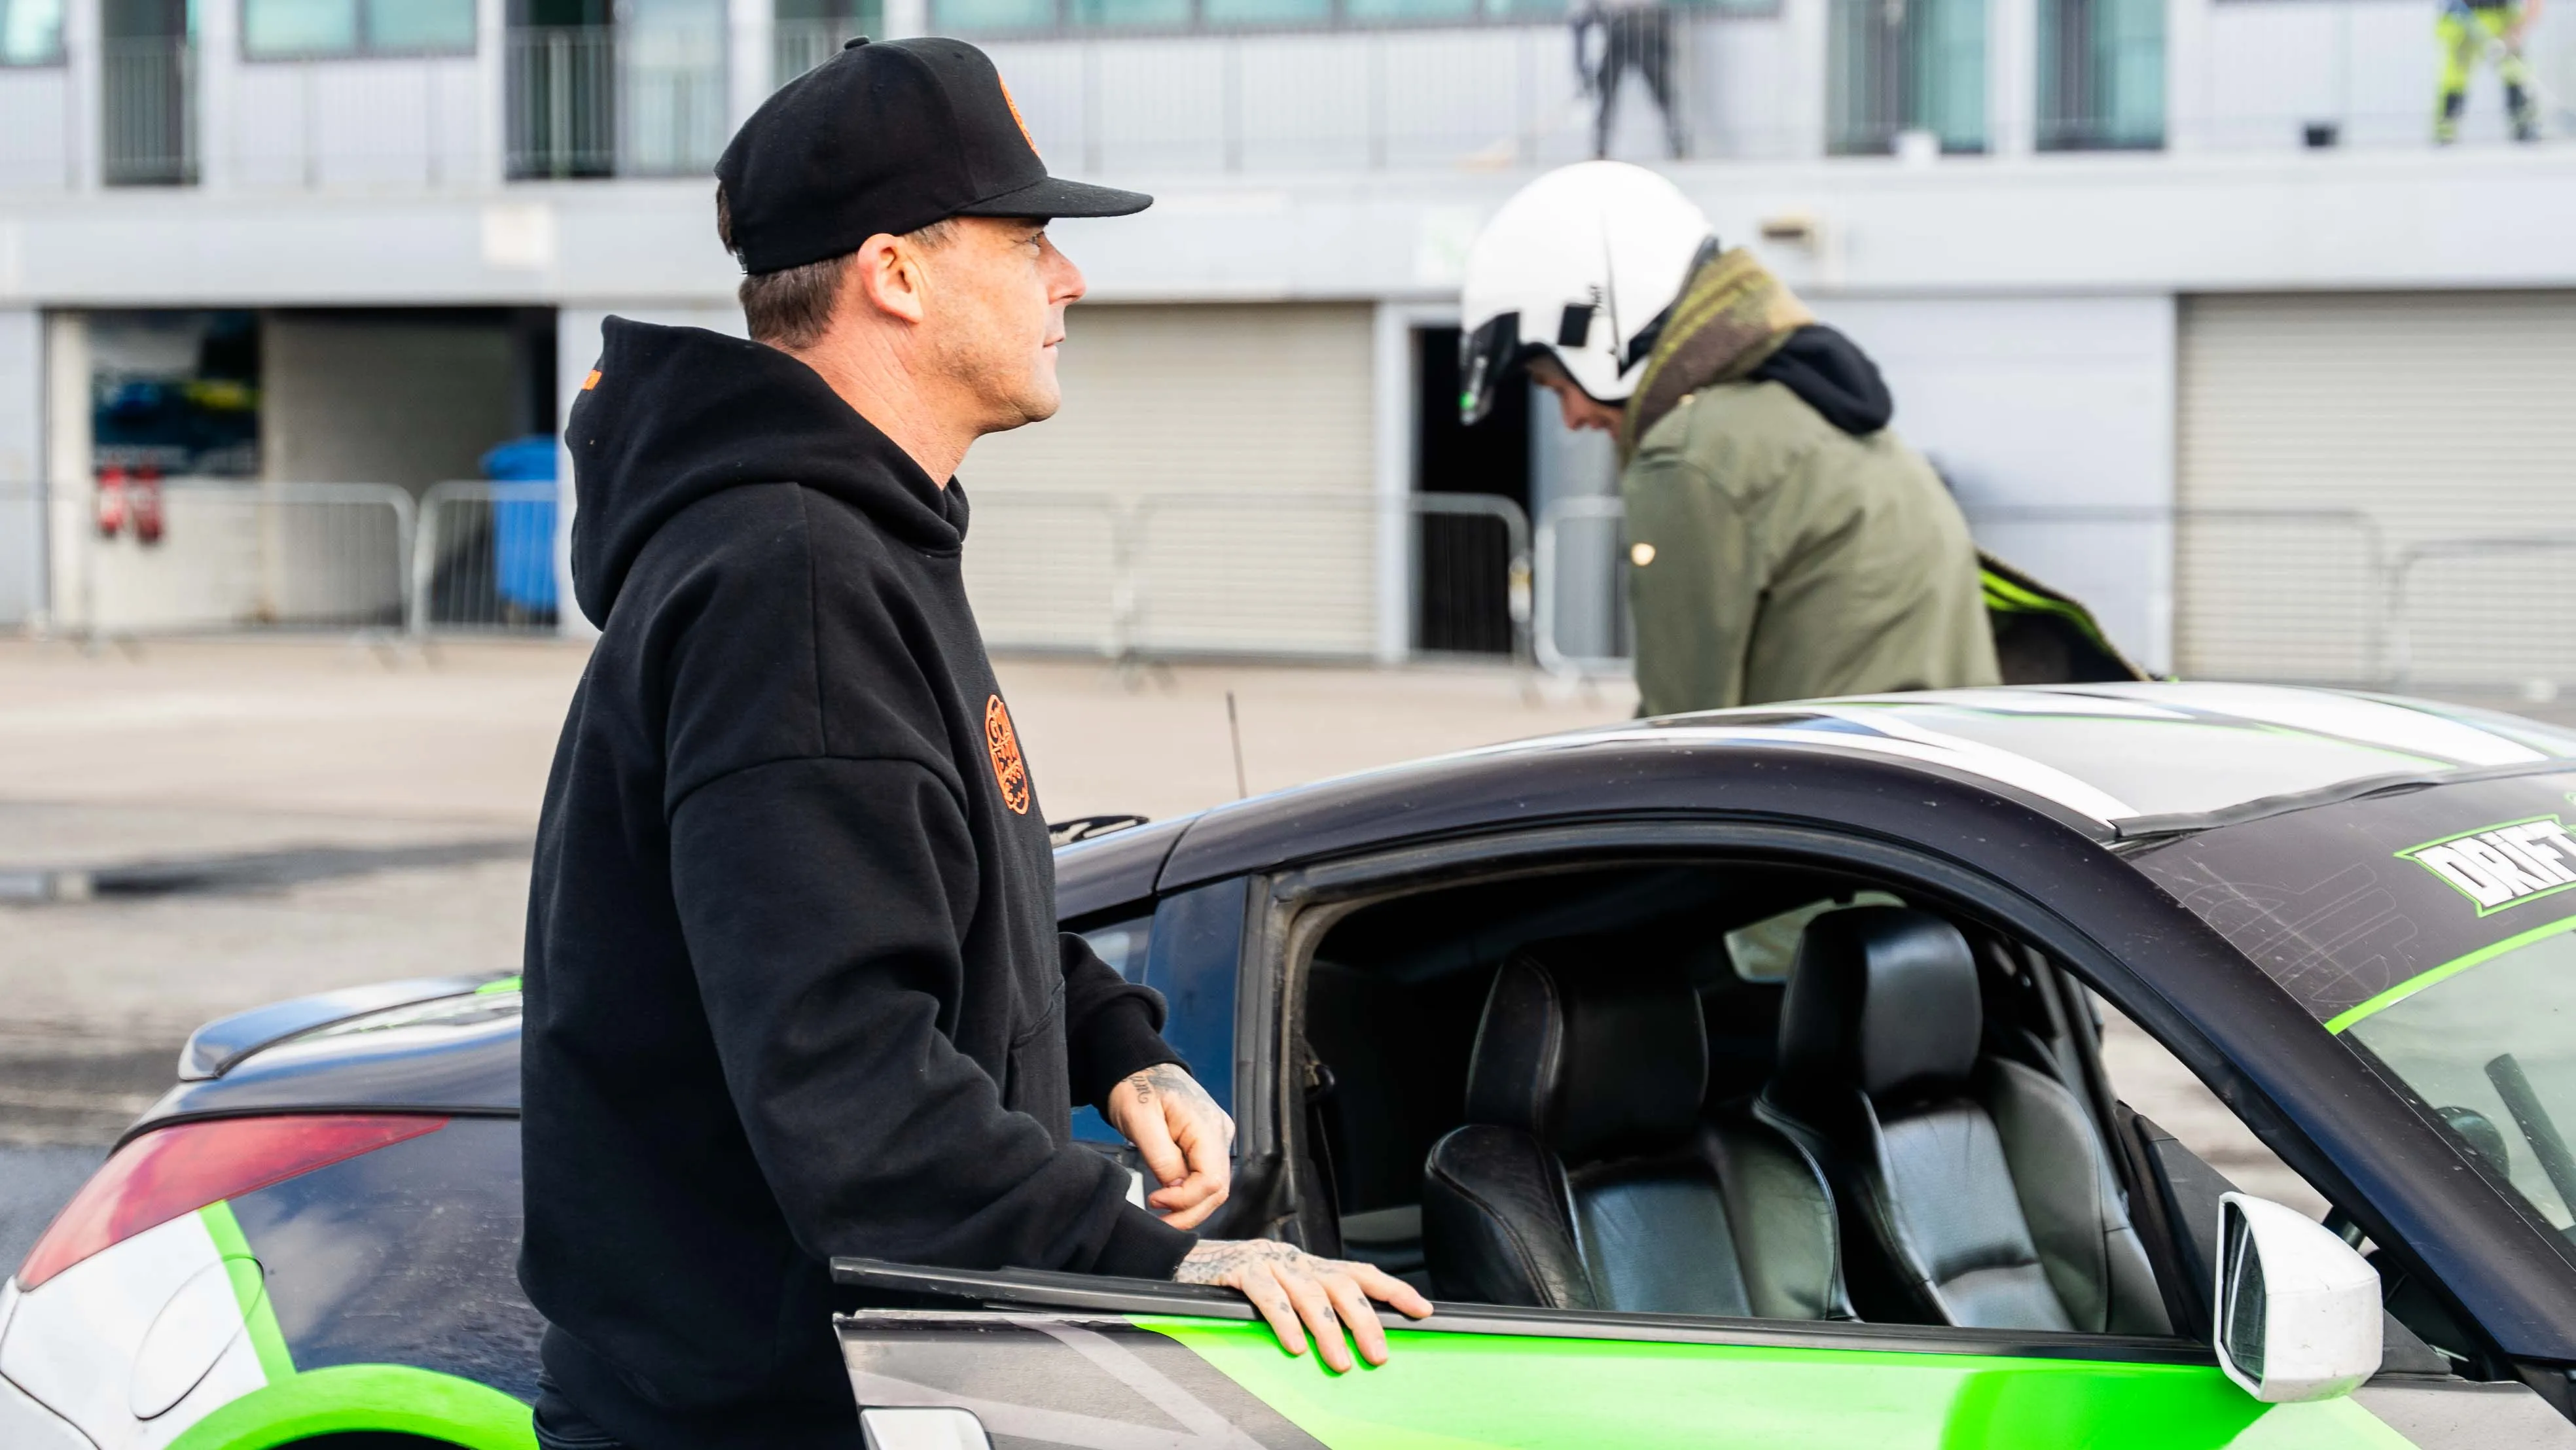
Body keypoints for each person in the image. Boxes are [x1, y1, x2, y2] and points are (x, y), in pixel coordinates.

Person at [519, 37, 1428, 1450]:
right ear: (896, 273)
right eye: (1032, 239)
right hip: (767, 1414)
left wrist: (1114, 1047)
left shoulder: (846, 544)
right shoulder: (792, 582)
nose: (1069, 280)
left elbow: (918, 894)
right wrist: (1165, 1267)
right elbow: (848, 1081)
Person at [1459, 162, 1997, 716]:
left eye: (1554, 386)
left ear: (1597, 332)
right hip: (1923, 781)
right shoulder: (1812, 418)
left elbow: (1680, 741)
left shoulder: (1694, 457)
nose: (1570, 419)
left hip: (1832, 790)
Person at [1574, 0, 1687, 159]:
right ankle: (1600, 150)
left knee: (1664, 97)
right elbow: (1584, 19)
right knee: (1609, 96)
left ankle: (1679, 147)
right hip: (1624, 30)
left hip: (1644, 29)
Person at [2436, 0, 2543, 144]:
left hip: (2500, 17)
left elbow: (2534, 5)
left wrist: (2519, 29)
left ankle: (2522, 120)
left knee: (2514, 71)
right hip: (2461, 15)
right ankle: (2447, 122)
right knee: (2456, 73)